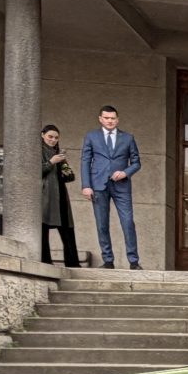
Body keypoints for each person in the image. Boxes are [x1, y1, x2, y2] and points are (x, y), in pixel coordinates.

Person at [80, 105, 141, 269]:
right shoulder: (91, 136)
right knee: (102, 224)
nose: (110, 121)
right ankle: (108, 260)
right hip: (98, 184)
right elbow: (85, 161)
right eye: (106, 118)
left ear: (117, 120)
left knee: (128, 222)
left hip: (121, 185)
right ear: (100, 119)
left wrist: (125, 172)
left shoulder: (128, 138)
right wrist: (86, 185)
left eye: (113, 118)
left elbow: (136, 163)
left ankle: (134, 261)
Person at [38, 124, 79, 267]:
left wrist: (65, 167)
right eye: (50, 137)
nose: (53, 140)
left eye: (56, 138)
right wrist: (51, 162)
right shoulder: (37, 150)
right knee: (43, 228)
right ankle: (45, 261)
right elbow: (33, 171)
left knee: (68, 229)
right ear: (42, 135)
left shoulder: (58, 152)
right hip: (46, 195)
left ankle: (73, 263)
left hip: (60, 195)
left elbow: (70, 177)